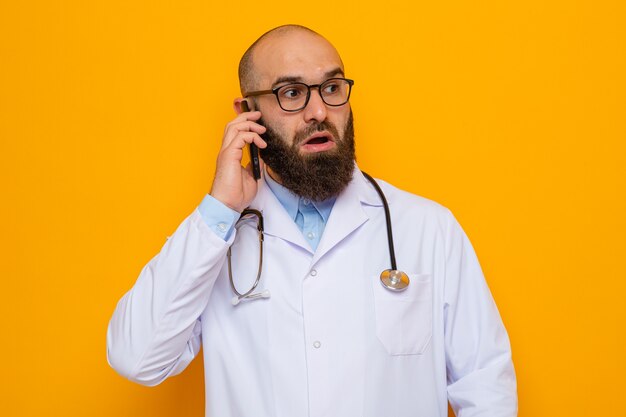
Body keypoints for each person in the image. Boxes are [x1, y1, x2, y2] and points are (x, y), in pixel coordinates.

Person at [107, 25, 517, 417]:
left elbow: (487, 389)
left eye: (332, 88)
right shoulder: (216, 238)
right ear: (247, 113)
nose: (319, 111)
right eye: (292, 93)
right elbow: (136, 357)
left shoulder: (429, 229)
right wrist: (219, 210)